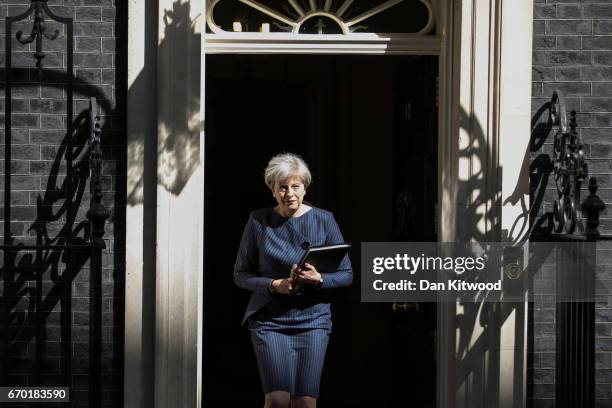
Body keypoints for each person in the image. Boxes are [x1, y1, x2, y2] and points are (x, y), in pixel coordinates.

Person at [234, 152, 353, 408]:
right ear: (273, 190)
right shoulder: (258, 221)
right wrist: (275, 285)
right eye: (283, 187)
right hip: (269, 320)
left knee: (305, 402)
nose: (290, 193)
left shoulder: (324, 219)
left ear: (305, 187)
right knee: (277, 400)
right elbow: (240, 274)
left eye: (296, 186)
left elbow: (346, 274)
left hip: (313, 320)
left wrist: (319, 279)